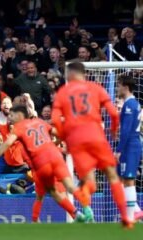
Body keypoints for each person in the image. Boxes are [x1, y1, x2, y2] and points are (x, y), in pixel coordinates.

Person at [51, 62, 131, 227]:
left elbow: (55, 120)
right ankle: (125, 217)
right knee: (112, 175)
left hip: (76, 140)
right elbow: (114, 113)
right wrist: (114, 130)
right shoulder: (95, 88)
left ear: (69, 74)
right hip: (96, 135)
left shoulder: (63, 92)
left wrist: (64, 137)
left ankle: (85, 203)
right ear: (83, 73)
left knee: (89, 182)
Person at [0, 105, 87, 222]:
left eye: (12, 115)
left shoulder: (20, 132)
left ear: (20, 115)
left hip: (40, 168)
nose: (10, 118)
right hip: (56, 157)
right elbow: (58, 135)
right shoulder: (39, 121)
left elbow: (9, 144)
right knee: (69, 187)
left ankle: (38, 220)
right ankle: (84, 210)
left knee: (44, 196)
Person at [116, 75, 143, 221]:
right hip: (131, 144)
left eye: (119, 85)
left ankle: (131, 215)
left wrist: (119, 150)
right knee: (119, 178)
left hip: (130, 146)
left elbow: (126, 130)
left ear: (126, 87)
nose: (117, 88)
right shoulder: (133, 104)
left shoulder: (130, 105)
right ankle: (136, 210)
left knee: (128, 179)